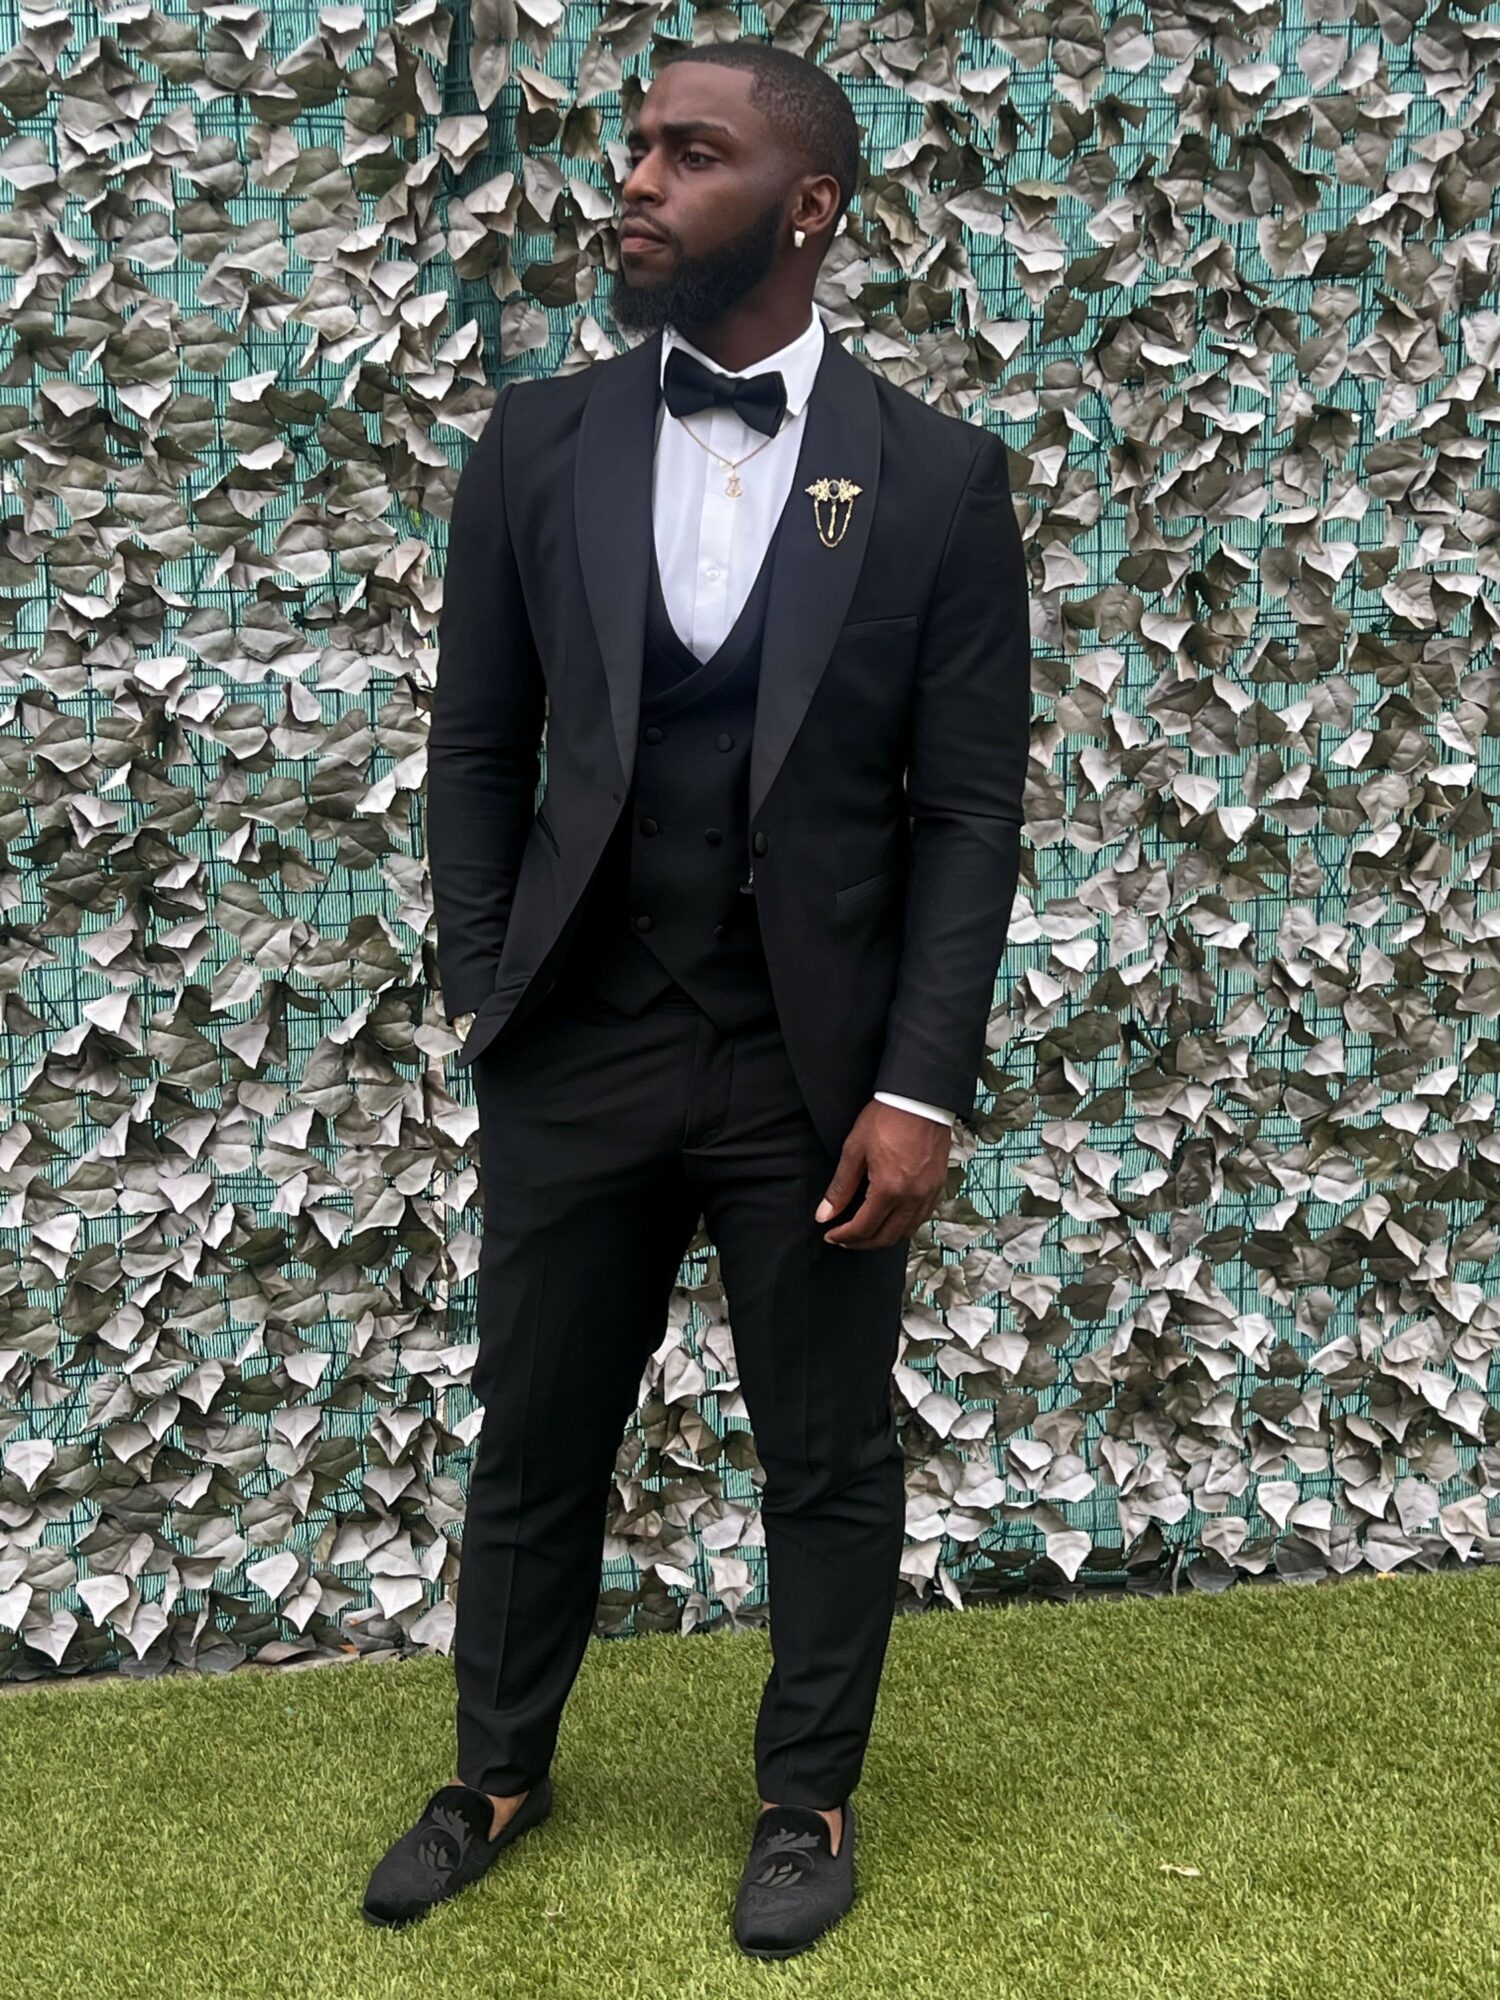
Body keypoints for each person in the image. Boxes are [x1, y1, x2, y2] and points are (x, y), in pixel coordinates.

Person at [363, 41, 1030, 1960]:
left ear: (806, 205)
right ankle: (496, 1768)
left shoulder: (934, 480)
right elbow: (477, 749)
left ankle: (805, 1798)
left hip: (812, 1073)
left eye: (689, 153)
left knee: (826, 1449)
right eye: (633, 146)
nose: (635, 180)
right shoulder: (538, 444)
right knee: (532, 1430)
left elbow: (969, 809)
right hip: (579, 1039)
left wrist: (924, 1086)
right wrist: (491, 990)